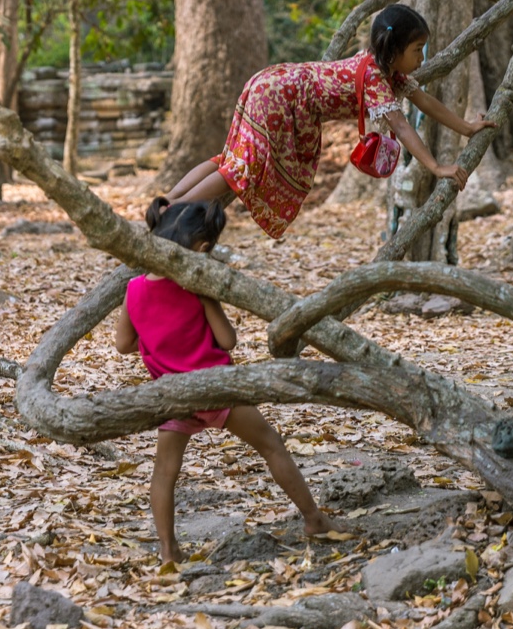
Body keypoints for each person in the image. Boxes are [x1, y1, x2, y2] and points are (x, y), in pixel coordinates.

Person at [115, 198, 344, 564]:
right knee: (271, 446)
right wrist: (210, 301)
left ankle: (168, 551)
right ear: (203, 250)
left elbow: (123, 344)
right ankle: (314, 519)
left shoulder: (133, 289)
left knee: (164, 473)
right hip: (216, 387)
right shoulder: (197, 286)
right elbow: (227, 341)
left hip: (170, 394)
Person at [161, 3, 494, 241]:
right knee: (240, 169)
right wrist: (437, 168)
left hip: (273, 84)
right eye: (418, 49)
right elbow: (403, 127)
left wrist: (467, 128)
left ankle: (169, 202)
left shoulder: (387, 71)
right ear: (394, 49)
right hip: (281, 98)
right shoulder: (377, 80)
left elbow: (426, 102)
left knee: (229, 160)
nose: (422, 58)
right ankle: (171, 213)